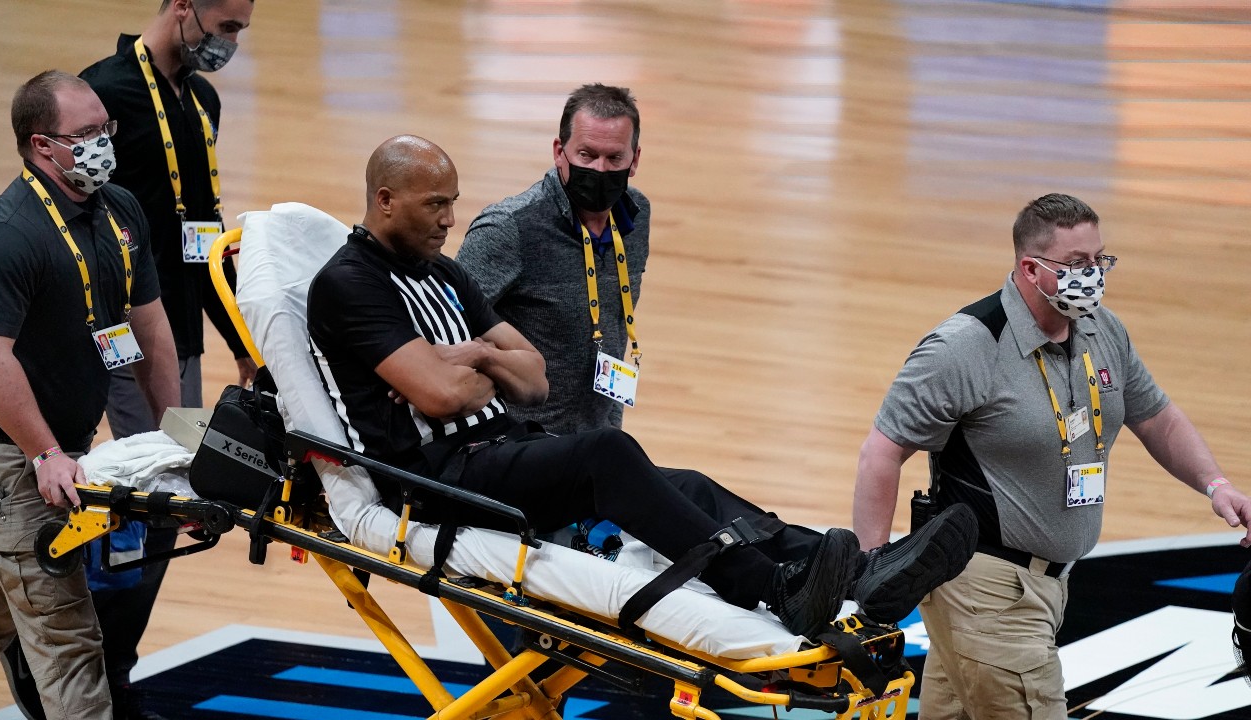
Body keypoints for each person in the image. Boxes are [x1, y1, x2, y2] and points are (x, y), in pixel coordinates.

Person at [307, 135, 977, 644]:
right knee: (606, 455)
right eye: (435, 205)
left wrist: (467, 355)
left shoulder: (443, 273)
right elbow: (441, 398)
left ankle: (859, 571)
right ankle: (772, 586)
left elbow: (534, 376)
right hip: (435, 484)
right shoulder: (349, 284)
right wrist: (481, 364)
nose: (450, 219)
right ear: (385, 199)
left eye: (453, 203)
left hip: (500, 450)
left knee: (684, 485)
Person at [851, 193, 1251, 719]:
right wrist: (871, 584)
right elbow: (880, 453)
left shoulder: (1103, 331)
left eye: (1100, 260)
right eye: (1077, 264)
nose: (1094, 275)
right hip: (985, 591)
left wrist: (1215, 485)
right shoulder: (965, 347)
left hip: (1045, 586)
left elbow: (1157, 416)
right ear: (1030, 268)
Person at [0, 5, 257, 719]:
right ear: (182, 7)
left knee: (167, 504)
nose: (231, 42)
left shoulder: (202, 100)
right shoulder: (105, 87)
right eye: (226, 24)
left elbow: (203, 232)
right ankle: (91, 661)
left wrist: (237, 340)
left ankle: (102, 654)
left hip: (172, 330)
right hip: (109, 337)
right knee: (143, 505)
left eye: (242, 28)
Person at [0, 70, 180, 720]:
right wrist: (44, 454)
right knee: (68, 643)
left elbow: (151, 327)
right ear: (41, 146)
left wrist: (177, 435)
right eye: (85, 135)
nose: (102, 144)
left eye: (105, 129)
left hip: (61, 452)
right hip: (12, 462)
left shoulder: (118, 210)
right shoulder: (5, 236)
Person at [457, 83, 648, 435]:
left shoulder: (637, 216)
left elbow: (616, 327)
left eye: (614, 158)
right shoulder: (509, 228)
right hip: (520, 442)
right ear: (559, 151)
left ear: (634, 159)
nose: (600, 170)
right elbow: (448, 324)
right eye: (586, 156)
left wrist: (612, 430)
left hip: (597, 437)